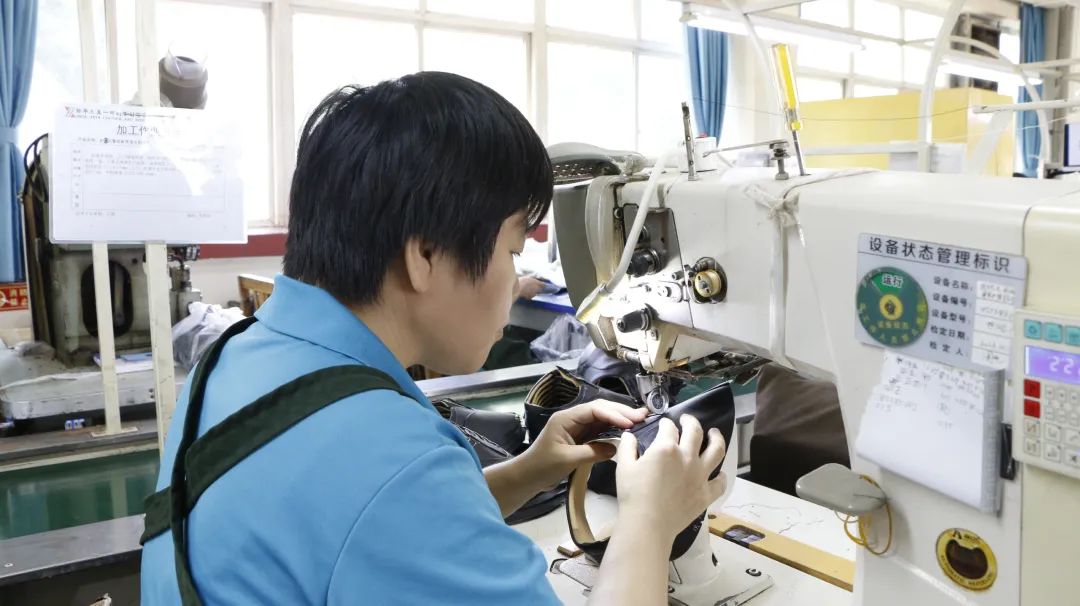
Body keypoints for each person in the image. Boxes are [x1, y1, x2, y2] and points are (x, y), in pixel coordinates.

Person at [140, 72, 727, 605]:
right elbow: (395, 498)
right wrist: (651, 521)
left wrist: (531, 469)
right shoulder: (390, 456)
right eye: (511, 251)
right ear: (424, 255)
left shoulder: (232, 359)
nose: (513, 281)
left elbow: (377, 528)